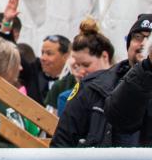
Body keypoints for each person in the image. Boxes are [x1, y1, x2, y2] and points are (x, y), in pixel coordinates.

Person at [52, 18, 150, 147]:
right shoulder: (91, 87)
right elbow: (62, 143)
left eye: (150, 38)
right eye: (138, 37)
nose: (144, 43)